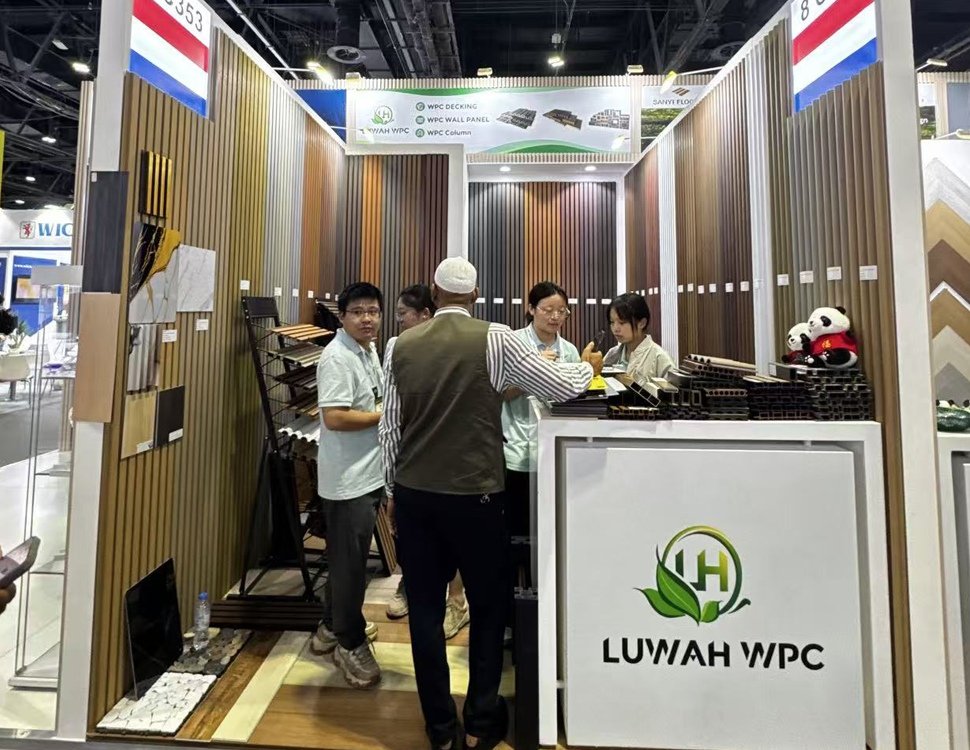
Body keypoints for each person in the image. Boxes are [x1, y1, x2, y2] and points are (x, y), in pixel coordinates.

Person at [380, 258, 601, 750]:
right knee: (486, 605)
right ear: (476, 296)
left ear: (434, 292)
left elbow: (390, 427)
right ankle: (481, 719)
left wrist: (391, 491)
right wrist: (587, 368)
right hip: (477, 494)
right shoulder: (496, 339)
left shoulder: (400, 345)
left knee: (423, 610)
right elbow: (560, 386)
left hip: (416, 495)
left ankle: (440, 729)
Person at [309, 282, 385, 689]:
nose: (367, 319)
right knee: (351, 568)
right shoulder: (337, 357)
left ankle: (329, 626)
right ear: (342, 317)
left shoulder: (367, 349)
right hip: (347, 480)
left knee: (348, 562)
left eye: (373, 311)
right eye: (358, 312)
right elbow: (335, 417)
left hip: (367, 473)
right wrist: (385, 416)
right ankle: (349, 642)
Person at [386, 285, 470, 640]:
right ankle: (410, 584)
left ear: (425, 314)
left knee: (452, 539)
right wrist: (391, 484)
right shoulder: (398, 347)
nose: (398, 321)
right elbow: (391, 420)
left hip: (454, 464)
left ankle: (456, 600)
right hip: (415, 461)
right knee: (416, 540)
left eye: (403, 314)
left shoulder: (459, 344)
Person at [501, 281, 581, 545]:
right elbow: (498, 392)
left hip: (556, 447)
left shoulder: (569, 350)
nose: (555, 317)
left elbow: (575, 398)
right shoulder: (513, 343)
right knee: (516, 527)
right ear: (531, 309)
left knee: (549, 529)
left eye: (562, 311)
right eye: (548, 310)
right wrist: (534, 371)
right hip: (516, 446)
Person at [603, 291, 675, 384]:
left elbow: (673, 392)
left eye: (622, 322)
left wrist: (634, 386)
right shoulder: (612, 354)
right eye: (612, 322)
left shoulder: (660, 358)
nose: (615, 328)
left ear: (642, 323)